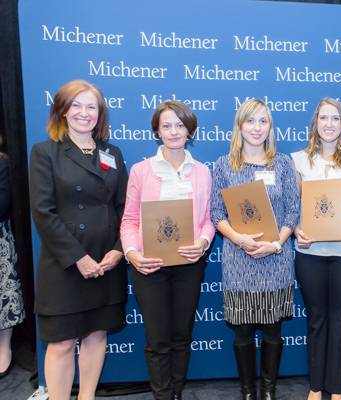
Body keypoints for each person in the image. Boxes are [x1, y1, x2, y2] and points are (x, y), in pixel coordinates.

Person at [29, 80, 128, 400]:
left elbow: (124, 207)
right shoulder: (45, 152)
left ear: (100, 114)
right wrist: (78, 258)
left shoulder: (112, 152)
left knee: (97, 333)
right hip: (66, 264)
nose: (84, 113)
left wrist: (118, 250)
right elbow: (43, 213)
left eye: (91, 107)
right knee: (60, 342)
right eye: (76, 105)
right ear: (61, 110)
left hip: (106, 260)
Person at [120, 100, 215, 400]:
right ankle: (163, 397)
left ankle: (176, 392)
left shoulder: (202, 171)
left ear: (190, 131)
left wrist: (202, 243)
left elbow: (207, 221)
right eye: (166, 125)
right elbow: (130, 220)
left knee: (182, 336)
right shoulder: (140, 170)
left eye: (180, 125)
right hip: (150, 267)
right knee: (157, 339)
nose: (174, 131)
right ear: (156, 131)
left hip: (189, 266)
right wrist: (132, 254)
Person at [210, 99, 299, 400]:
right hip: (239, 259)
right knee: (243, 331)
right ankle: (248, 392)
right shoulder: (224, 165)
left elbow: (292, 212)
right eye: (251, 121)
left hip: (276, 258)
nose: (257, 128)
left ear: (270, 127)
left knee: (273, 330)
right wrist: (240, 240)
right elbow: (216, 214)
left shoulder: (283, 163)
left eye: (263, 121)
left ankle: (269, 390)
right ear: (240, 126)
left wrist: (275, 244)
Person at [291, 98, 341, 400]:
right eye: (323, 118)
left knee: (340, 319)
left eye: (334, 118)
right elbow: (293, 207)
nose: (328, 124)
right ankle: (315, 387)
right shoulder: (298, 161)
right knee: (316, 319)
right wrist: (297, 230)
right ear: (315, 124)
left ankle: (336, 388)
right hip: (311, 253)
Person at [0, 137, 25, 380]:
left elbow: (2, 204)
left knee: (4, 296)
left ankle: (3, 349)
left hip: (0, 241)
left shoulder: (2, 164)